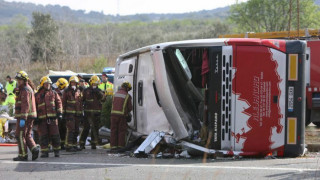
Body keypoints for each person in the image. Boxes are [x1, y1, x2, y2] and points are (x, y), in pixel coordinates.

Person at [13, 71, 39, 161]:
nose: (18, 81)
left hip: (25, 117)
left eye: (20, 80)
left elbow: (25, 105)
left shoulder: (25, 90)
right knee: (27, 135)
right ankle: (34, 149)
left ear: (24, 80)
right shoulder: (26, 89)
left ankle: (23, 155)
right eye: (18, 80)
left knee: (19, 135)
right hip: (29, 116)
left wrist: (23, 118)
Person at [35, 76, 63, 158]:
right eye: (46, 84)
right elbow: (34, 106)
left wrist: (60, 113)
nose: (48, 85)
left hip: (53, 119)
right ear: (42, 84)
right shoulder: (37, 95)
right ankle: (44, 152)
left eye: (49, 84)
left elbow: (59, 103)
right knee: (43, 136)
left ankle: (56, 151)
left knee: (55, 135)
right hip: (42, 119)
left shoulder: (54, 93)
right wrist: (35, 117)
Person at [79, 75, 104, 149]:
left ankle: (94, 144)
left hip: (96, 113)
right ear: (91, 83)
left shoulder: (99, 91)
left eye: (96, 84)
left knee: (95, 129)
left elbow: (103, 100)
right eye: (94, 84)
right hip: (87, 113)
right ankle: (82, 143)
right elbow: (81, 100)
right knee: (86, 128)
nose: (95, 85)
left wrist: (99, 93)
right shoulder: (86, 91)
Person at [62, 76, 82, 152]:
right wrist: (63, 113)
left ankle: (74, 145)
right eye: (72, 82)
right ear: (70, 83)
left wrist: (80, 113)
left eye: (75, 83)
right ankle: (68, 145)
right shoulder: (66, 91)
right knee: (71, 129)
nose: (73, 84)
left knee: (76, 130)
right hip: (69, 114)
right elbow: (63, 103)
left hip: (77, 114)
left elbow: (79, 102)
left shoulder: (78, 91)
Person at [110, 82, 132, 150]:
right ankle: (120, 146)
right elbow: (130, 107)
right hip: (121, 116)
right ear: (127, 88)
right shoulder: (127, 96)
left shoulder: (115, 94)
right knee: (121, 131)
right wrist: (127, 113)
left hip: (113, 115)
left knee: (113, 130)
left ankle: (113, 146)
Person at [55, 78, 69, 150]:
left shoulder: (67, 92)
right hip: (58, 113)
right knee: (58, 129)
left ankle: (63, 144)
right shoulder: (56, 92)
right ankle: (58, 144)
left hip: (66, 113)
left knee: (64, 129)